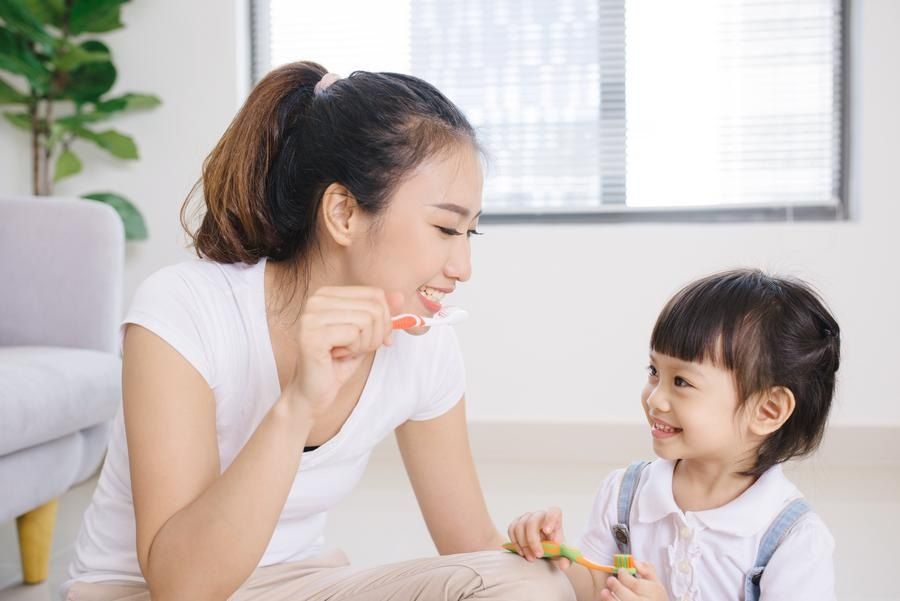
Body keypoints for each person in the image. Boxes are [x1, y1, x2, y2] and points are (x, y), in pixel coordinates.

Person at [64, 61, 574, 601]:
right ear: (344, 212)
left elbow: (471, 546)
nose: (463, 266)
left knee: (529, 585)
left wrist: (581, 567)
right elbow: (182, 585)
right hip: (141, 591)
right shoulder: (185, 310)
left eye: (470, 233)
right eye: (446, 228)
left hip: (299, 585)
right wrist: (298, 404)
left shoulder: (425, 347)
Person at [506, 269, 839, 601]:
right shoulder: (625, 494)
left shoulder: (793, 540)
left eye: (682, 382)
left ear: (767, 410)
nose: (654, 398)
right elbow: (596, 590)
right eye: (654, 372)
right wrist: (554, 559)